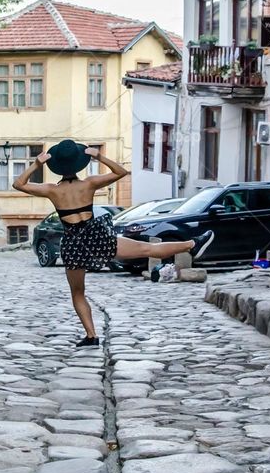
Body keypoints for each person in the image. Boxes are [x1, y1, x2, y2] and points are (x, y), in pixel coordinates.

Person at [13, 139, 213, 347]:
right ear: (79, 162)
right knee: (147, 248)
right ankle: (191, 244)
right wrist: (99, 156)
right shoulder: (89, 183)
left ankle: (91, 335)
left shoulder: (52, 190)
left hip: (73, 242)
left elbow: (18, 184)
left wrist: (37, 164)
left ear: (59, 166)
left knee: (78, 293)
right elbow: (120, 172)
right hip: (95, 235)